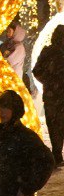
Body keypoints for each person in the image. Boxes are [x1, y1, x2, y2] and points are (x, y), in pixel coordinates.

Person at [33, 24, 64, 166]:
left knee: (54, 125)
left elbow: (37, 71)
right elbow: (37, 71)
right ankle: (57, 155)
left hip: (52, 95)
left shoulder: (47, 52)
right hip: (55, 94)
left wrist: (48, 81)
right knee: (56, 124)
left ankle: (57, 154)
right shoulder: (50, 52)